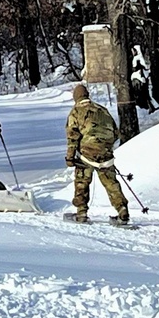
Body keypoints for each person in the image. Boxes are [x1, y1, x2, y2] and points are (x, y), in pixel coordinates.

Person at [65, 84, 129, 225]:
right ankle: (122, 209)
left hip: (86, 155)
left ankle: (81, 213)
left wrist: (70, 157)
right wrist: (105, 148)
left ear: (76, 97)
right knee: (111, 183)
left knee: (82, 182)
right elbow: (116, 133)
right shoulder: (103, 110)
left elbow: (72, 137)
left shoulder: (75, 112)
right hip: (106, 154)